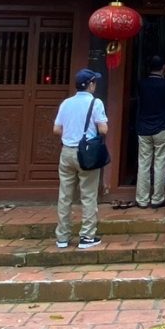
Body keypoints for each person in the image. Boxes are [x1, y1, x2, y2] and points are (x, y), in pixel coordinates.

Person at [54, 68, 108, 249]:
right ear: (91, 84)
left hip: (66, 152)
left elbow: (57, 129)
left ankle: (62, 237)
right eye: (95, 83)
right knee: (88, 194)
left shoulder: (66, 103)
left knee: (65, 196)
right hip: (85, 153)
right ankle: (86, 236)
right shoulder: (96, 103)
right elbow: (103, 129)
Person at [135, 55, 165, 209]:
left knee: (143, 164)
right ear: (164, 67)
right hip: (162, 127)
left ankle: (141, 199)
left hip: (144, 128)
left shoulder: (142, 83)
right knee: (160, 163)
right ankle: (157, 199)